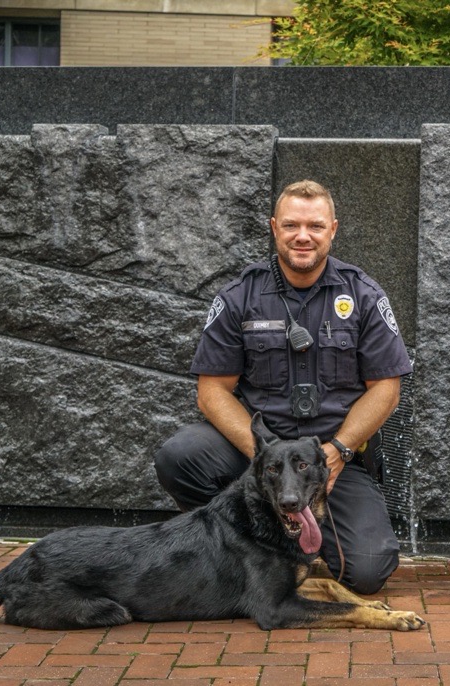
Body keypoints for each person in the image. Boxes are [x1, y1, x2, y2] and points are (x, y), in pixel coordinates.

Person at [153, 180, 410, 595]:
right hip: (258, 453)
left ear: (333, 230)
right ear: (274, 227)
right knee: (179, 456)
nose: (303, 236)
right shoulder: (240, 296)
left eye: (315, 226)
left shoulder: (362, 295)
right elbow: (212, 391)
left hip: (330, 458)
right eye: (291, 225)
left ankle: (296, 553)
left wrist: (340, 450)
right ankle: (236, 554)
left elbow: (386, 389)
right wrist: (264, 454)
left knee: (367, 570)